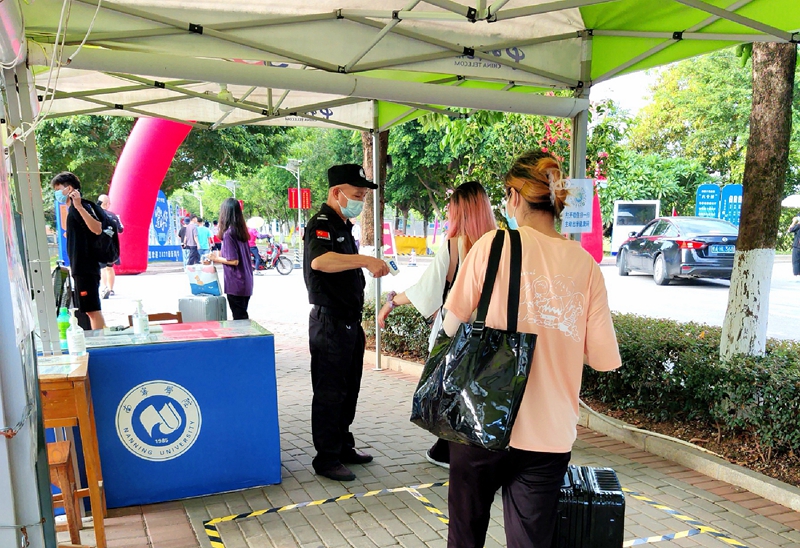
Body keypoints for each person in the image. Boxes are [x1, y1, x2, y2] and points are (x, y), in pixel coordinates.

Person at [440, 150, 621, 548]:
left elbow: (450, 325)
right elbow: (604, 359)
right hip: (549, 436)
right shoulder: (585, 265)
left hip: (480, 423)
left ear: (516, 196)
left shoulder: (492, 246)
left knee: (464, 538)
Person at [377, 181, 496, 469]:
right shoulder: (501, 243)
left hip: (455, 332)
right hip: (491, 332)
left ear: (460, 212)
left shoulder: (454, 246)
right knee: (477, 393)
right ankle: (477, 448)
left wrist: (391, 302)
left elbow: (425, 289)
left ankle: (447, 450)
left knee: (448, 392)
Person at [304, 163, 391, 482]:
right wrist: (365, 260)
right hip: (330, 323)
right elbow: (320, 261)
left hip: (350, 324)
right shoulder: (322, 223)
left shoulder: (344, 225)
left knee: (348, 389)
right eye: (357, 195)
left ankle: (342, 446)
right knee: (329, 392)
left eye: (364, 196)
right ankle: (326, 458)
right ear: (336, 192)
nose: (360, 201)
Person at [50, 172, 106, 330]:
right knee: (90, 310)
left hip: (85, 267)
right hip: (81, 267)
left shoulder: (79, 208)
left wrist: (79, 206)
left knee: (92, 311)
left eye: (59, 189)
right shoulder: (73, 210)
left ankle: (100, 343)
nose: (57, 193)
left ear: (69, 188)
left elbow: (97, 228)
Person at [210, 199, 254, 320]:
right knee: (242, 316)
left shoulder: (229, 233)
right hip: (246, 281)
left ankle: (246, 339)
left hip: (236, 283)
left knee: (240, 319)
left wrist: (216, 258)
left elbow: (234, 261)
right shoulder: (241, 231)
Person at [97, 194, 124, 299]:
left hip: (99, 246)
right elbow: (121, 229)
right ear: (108, 204)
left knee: (102, 268)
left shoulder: (94, 215)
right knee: (110, 268)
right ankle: (111, 289)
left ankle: (104, 288)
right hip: (112, 246)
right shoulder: (114, 216)